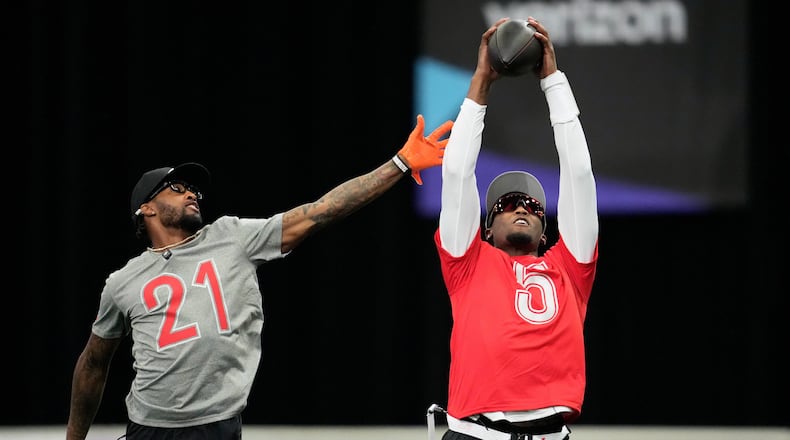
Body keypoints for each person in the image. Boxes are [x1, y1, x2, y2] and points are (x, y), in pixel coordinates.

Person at [66, 114, 454, 440]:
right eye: (177, 188)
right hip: (149, 428)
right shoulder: (123, 281)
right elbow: (94, 363)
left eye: (194, 189)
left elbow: (319, 212)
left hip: (217, 425)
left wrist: (400, 163)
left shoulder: (232, 236)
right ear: (146, 210)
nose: (192, 194)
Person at [430, 17, 599, 440]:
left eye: (533, 206)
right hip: (475, 435)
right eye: (506, 204)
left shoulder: (571, 270)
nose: (520, 207)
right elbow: (457, 173)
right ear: (485, 229)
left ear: (546, 231)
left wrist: (553, 82)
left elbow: (578, 173)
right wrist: (481, 83)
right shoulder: (466, 263)